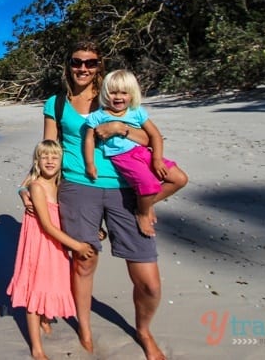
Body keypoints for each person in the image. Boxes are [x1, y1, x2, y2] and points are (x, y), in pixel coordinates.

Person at [19, 40, 168, 360]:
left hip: (125, 188)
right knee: (84, 261)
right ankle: (84, 326)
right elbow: (47, 148)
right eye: (77, 61)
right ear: (68, 64)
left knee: (149, 282)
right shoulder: (56, 104)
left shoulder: (114, 96)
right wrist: (27, 185)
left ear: (100, 66)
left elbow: (149, 139)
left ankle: (143, 330)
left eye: (91, 62)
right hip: (76, 187)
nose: (83, 68)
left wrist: (118, 128)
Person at [7, 140, 95, 360]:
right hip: (40, 242)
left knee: (53, 281)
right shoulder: (37, 186)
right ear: (37, 160)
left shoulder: (61, 184)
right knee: (35, 288)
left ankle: (45, 318)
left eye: (54, 157)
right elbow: (46, 225)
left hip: (54, 243)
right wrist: (77, 245)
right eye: (44, 157)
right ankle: (36, 348)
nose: (49, 161)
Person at [83, 69, 188, 237]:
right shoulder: (97, 116)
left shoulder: (137, 111)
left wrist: (157, 159)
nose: (118, 97)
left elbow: (155, 135)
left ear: (131, 94)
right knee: (148, 184)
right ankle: (143, 213)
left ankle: (143, 204)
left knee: (179, 179)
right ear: (105, 93)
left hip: (142, 151)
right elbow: (88, 140)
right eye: (113, 92)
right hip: (123, 158)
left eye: (124, 93)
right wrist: (90, 164)